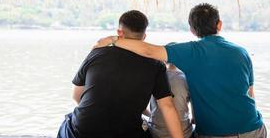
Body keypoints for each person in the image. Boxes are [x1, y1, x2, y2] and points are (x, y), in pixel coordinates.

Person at [95, 3, 267, 137]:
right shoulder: (242, 52)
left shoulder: (189, 51)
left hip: (213, 133)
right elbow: (250, 94)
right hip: (254, 129)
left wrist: (113, 40)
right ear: (219, 24)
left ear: (191, 29)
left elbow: (148, 50)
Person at [57, 10, 184, 138]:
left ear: (119, 33)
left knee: (68, 122)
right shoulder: (156, 65)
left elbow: (76, 96)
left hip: (81, 132)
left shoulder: (97, 53)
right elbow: (167, 107)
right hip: (126, 133)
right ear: (144, 36)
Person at [145, 60, 193, 138]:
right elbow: (194, 116)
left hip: (156, 133)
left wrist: (154, 117)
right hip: (185, 133)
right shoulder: (187, 78)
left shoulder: (152, 76)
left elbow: (142, 108)